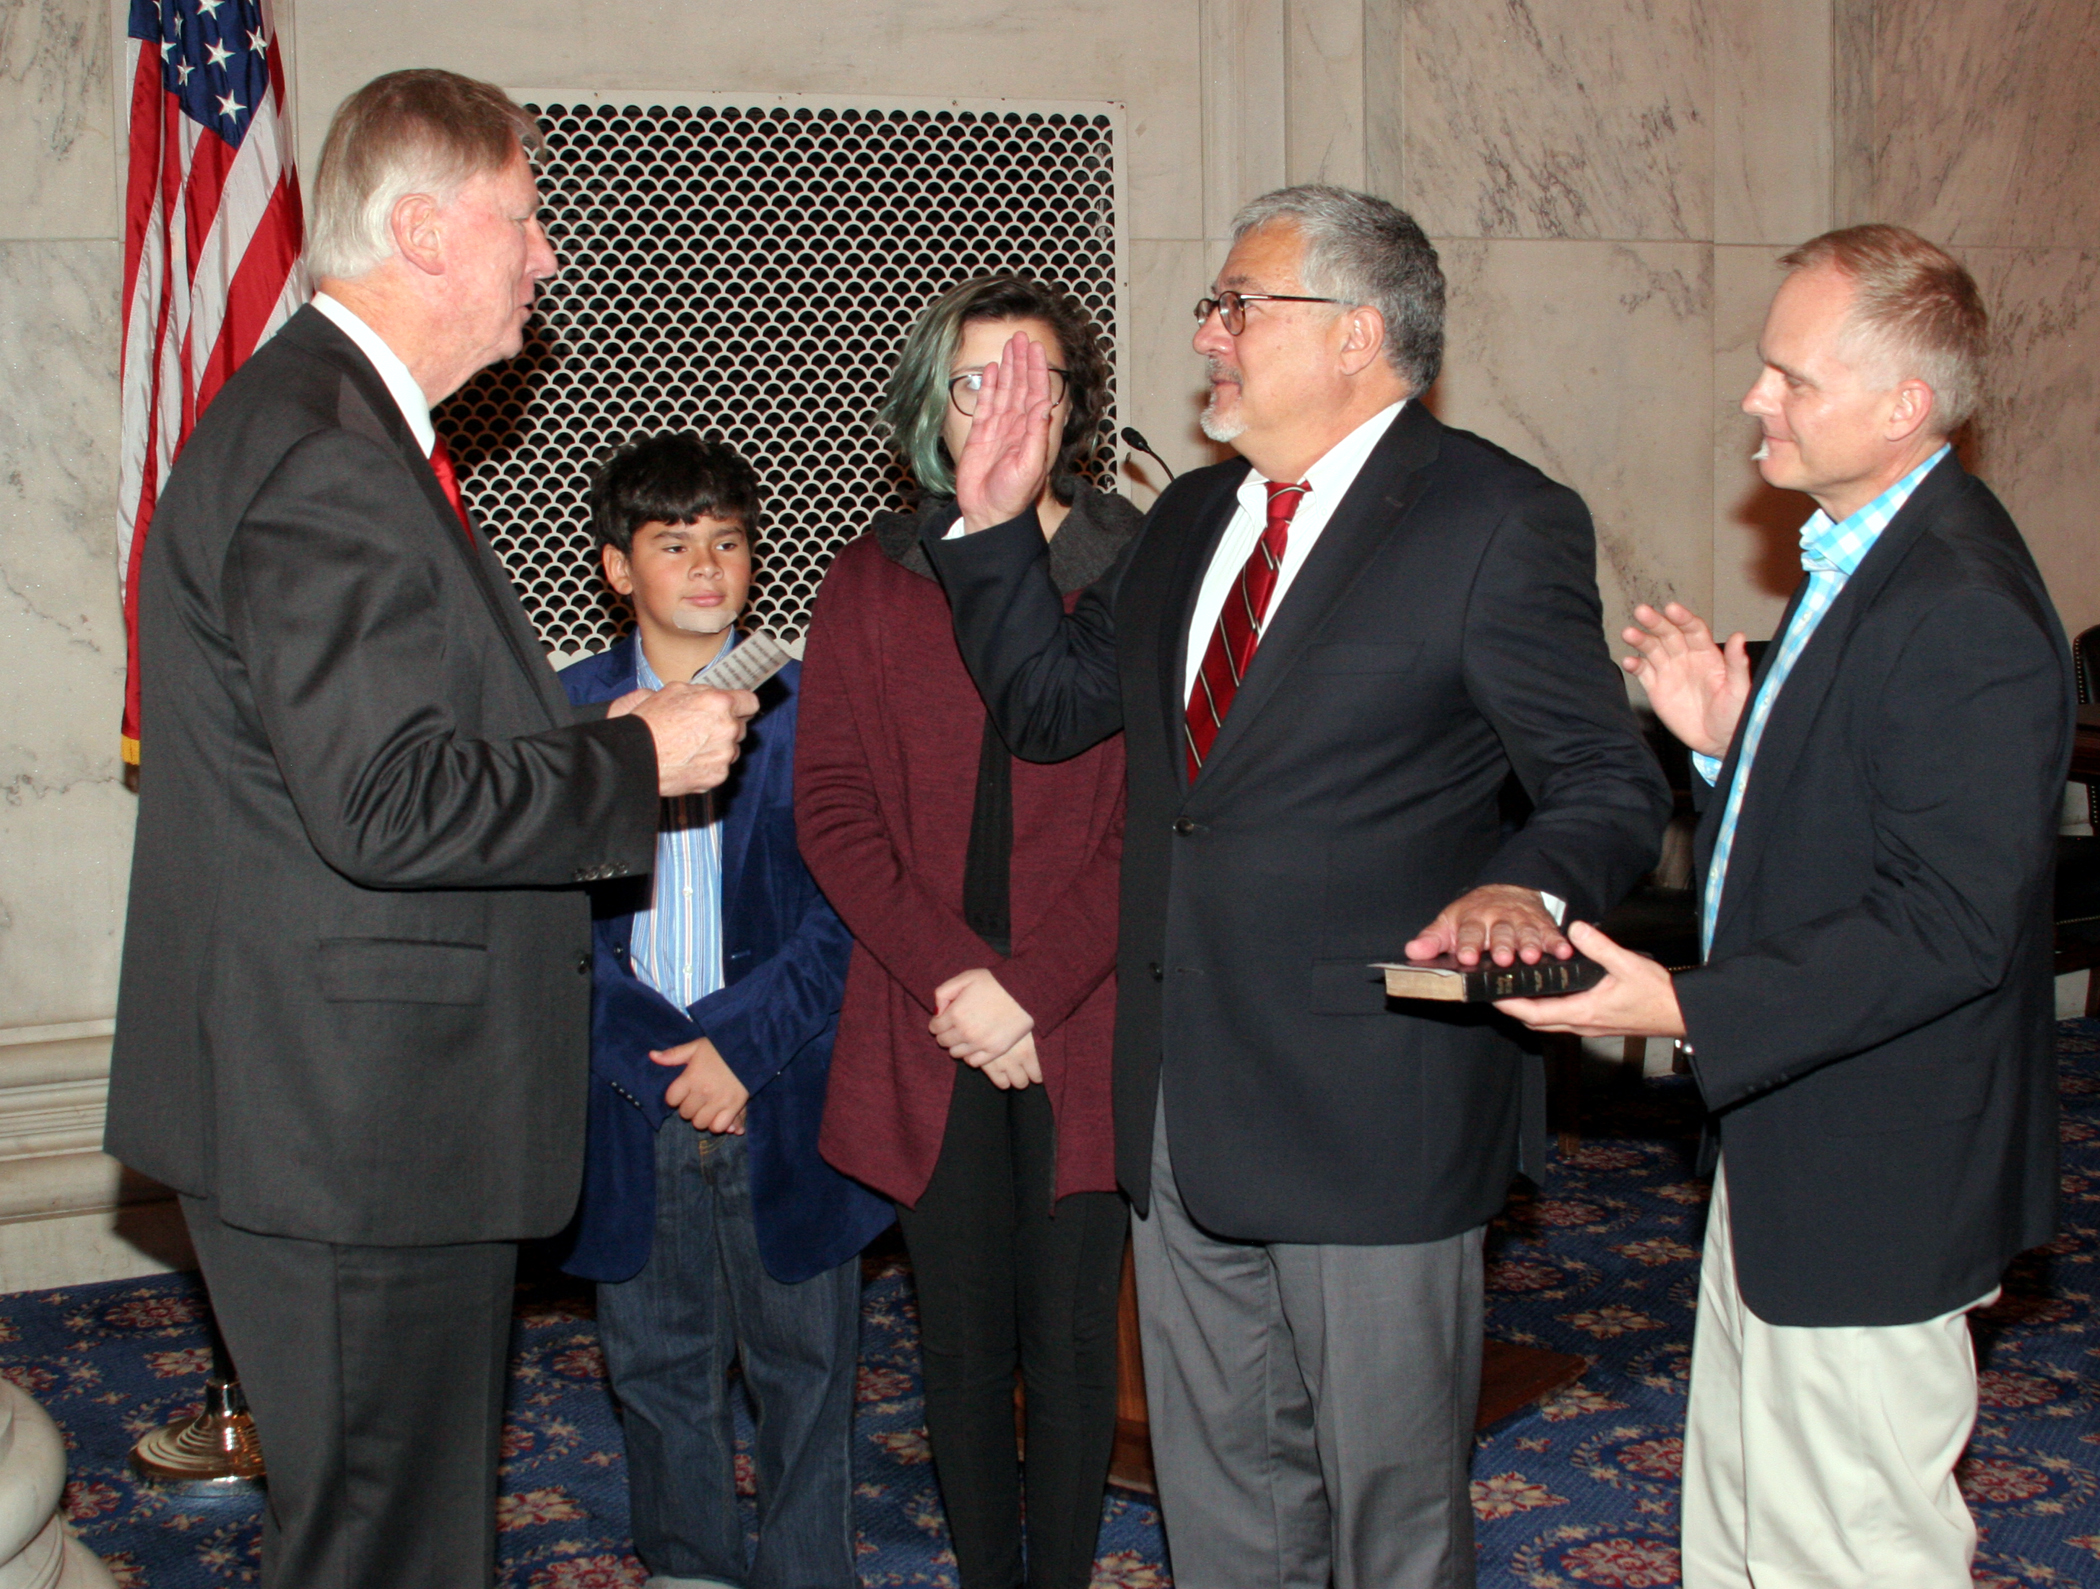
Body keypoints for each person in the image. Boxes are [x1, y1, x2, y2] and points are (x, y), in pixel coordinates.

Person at [923, 188, 1671, 1589]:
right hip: (1184, 1100)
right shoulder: (1194, 515)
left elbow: (1607, 780)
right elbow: (1047, 708)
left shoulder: (1496, 519)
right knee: (1225, 1510)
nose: (1207, 335)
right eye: (1212, 306)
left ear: (1356, 334)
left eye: (1236, 306)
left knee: (1391, 1517)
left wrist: (1529, 891)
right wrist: (994, 531)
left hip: (1371, 1110)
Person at [105, 72, 754, 1589]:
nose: (546, 257)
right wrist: (629, 761)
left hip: (354, 1113)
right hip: (351, 1126)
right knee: (389, 1548)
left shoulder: (339, 428)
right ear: (419, 228)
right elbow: (387, 797)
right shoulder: (328, 453)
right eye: (522, 219)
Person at [1498, 225, 2070, 1589]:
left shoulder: (1963, 602)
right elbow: (1863, 807)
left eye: (1790, 378)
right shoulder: (1871, 548)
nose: (1758, 398)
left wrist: (1683, 1002)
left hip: (1879, 1171)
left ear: (1902, 406)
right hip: (1803, 1135)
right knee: (1754, 1530)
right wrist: (1725, 742)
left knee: (1852, 1548)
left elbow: (1945, 923)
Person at [795, 276, 1138, 1589]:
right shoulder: (870, 581)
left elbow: (1153, 821)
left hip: (1085, 1017)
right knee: (957, 1341)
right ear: (936, 405)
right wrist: (963, 985)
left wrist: (1033, 994)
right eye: (979, 379)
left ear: (1071, 411)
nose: (1007, 406)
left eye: (1035, 382)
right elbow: (832, 811)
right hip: (925, 1015)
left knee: (1068, 1344)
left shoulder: (1130, 567)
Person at [556, 433, 893, 1589]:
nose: (708, 564)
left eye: (728, 539)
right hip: (631, 1089)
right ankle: (690, 1560)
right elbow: (553, 934)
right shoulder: (564, 722)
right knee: (657, 1361)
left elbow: (852, 911)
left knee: (807, 1362)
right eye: (672, 542)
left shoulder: (822, 708)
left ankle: (809, 1568)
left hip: (783, 1084)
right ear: (616, 567)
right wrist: (665, 1058)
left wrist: (739, 1049)